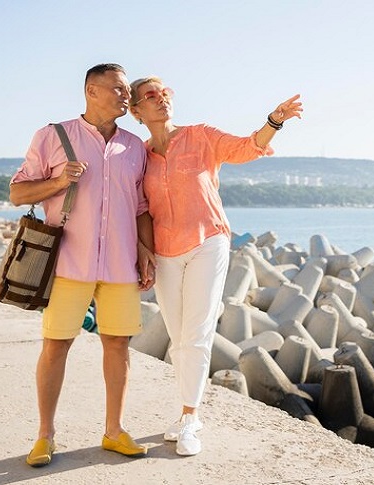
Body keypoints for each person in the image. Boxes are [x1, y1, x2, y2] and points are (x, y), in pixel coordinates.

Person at [130, 75, 303, 456]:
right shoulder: (139, 155)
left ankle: (190, 417)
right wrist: (143, 251)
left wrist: (274, 122)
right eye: (150, 96)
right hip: (165, 251)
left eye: (165, 93)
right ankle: (185, 412)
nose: (161, 99)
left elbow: (246, 148)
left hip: (209, 240)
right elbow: (140, 208)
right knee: (178, 338)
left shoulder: (200, 136)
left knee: (196, 333)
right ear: (136, 111)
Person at [10, 63, 155, 467]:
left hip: (121, 265)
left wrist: (146, 249)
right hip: (68, 265)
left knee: (117, 346)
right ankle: (44, 436)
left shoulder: (135, 146)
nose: (127, 96)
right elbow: (17, 194)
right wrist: (58, 183)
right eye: (119, 89)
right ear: (92, 90)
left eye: (127, 90)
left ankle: (114, 431)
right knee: (56, 347)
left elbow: (141, 206)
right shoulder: (53, 136)